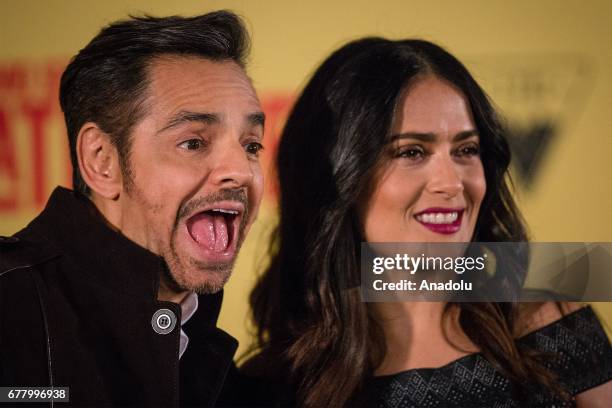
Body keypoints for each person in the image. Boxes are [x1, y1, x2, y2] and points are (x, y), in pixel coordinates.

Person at [242, 38, 611, 407]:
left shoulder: (544, 310)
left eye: (466, 150)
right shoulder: (276, 386)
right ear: (340, 177)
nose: (452, 183)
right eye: (412, 152)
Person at [0, 11, 265, 407]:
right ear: (102, 160)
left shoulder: (225, 374)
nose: (241, 172)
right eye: (194, 142)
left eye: (251, 145)